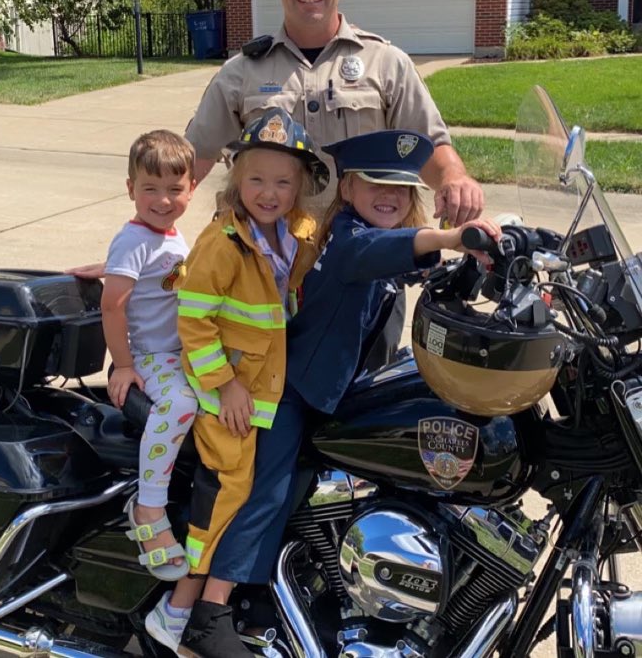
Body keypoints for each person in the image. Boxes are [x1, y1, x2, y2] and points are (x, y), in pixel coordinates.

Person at [150, 129, 501, 657]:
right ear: (350, 186)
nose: (390, 196)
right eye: (377, 184)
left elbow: (402, 261)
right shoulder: (347, 239)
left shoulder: (354, 236)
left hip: (334, 391)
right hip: (288, 391)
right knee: (266, 490)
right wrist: (451, 239)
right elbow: (381, 251)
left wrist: (491, 255)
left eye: (402, 190)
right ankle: (209, 612)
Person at [184, 0, 485, 370]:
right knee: (273, 401)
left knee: (369, 408)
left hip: (368, 271)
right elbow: (192, 159)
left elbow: (429, 144)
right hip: (270, 276)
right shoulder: (242, 72)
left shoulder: (385, 62)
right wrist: (146, 244)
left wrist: (456, 179)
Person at [144, 107, 328, 656]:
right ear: (234, 180)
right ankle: (178, 609)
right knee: (229, 491)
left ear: (299, 188)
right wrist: (224, 385)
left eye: (282, 182)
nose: (268, 193)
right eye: (255, 180)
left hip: (260, 385)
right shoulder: (223, 241)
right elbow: (193, 321)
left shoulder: (293, 232)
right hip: (227, 392)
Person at [101, 130, 199, 581]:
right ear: (130, 190)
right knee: (180, 405)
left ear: (191, 189)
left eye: (174, 190)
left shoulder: (169, 236)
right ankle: (149, 509)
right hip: (150, 354)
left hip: (178, 351)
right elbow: (113, 303)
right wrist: (124, 364)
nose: (162, 200)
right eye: (150, 189)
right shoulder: (136, 238)